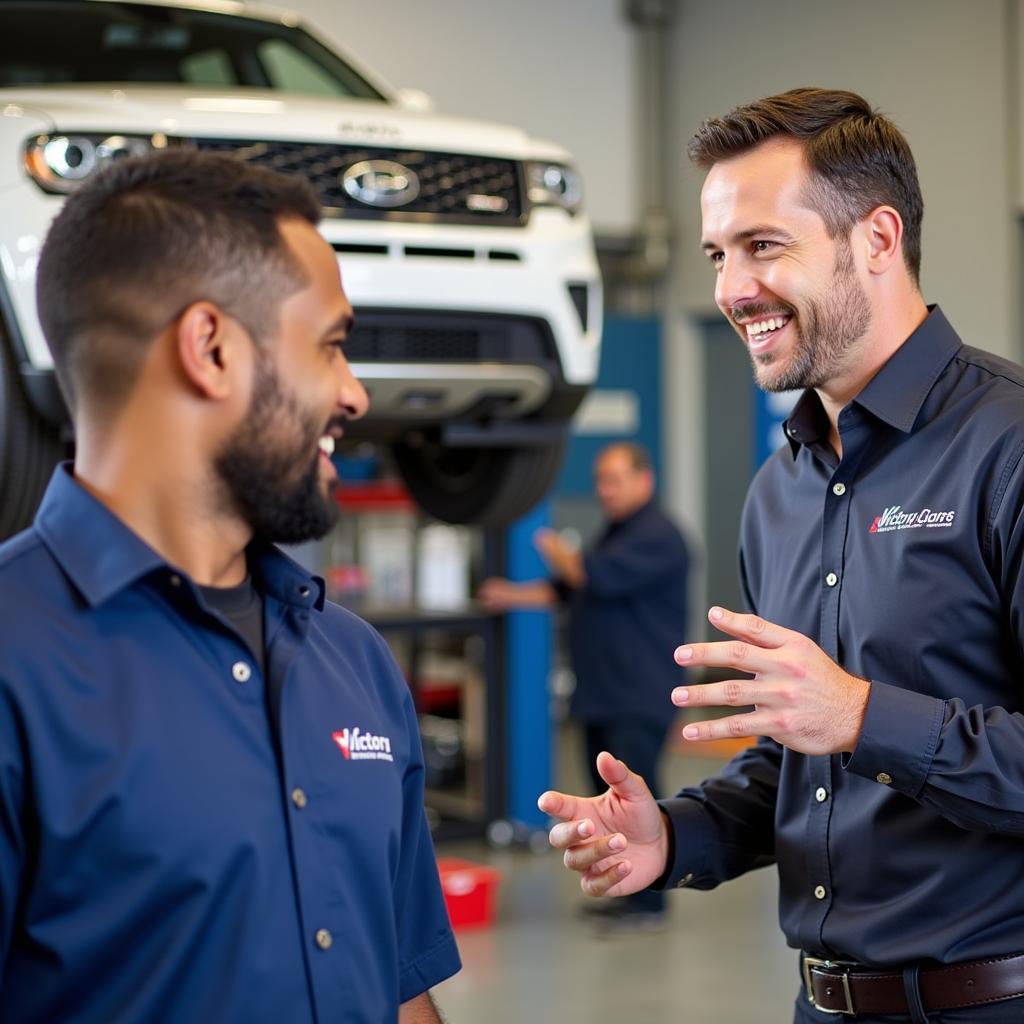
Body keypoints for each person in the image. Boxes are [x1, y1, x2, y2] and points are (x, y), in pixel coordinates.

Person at [540, 86, 1024, 1023]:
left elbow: (845, 724)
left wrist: (861, 713)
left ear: (878, 239)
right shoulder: (782, 490)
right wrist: (672, 837)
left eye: (764, 246)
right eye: (720, 255)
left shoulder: (1007, 449)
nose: (729, 289)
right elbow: (799, 763)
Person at [0, 151, 460, 1022]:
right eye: (330, 346)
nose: (355, 394)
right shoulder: (15, 665)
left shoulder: (352, 662)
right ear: (209, 348)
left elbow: (401, 990)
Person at [479, 441, 690, 931]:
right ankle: (626, 889)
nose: (605, 490)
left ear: (645, 480)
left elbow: (587, 575)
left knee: (639, 801)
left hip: (637, 694)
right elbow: (570, 590)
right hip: (602, 694)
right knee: (610, 807)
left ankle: (650, 903)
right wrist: (508, 595)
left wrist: (556, 548)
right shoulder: (616, 534)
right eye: (600, 480)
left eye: (614, 479)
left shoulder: (658, 535)